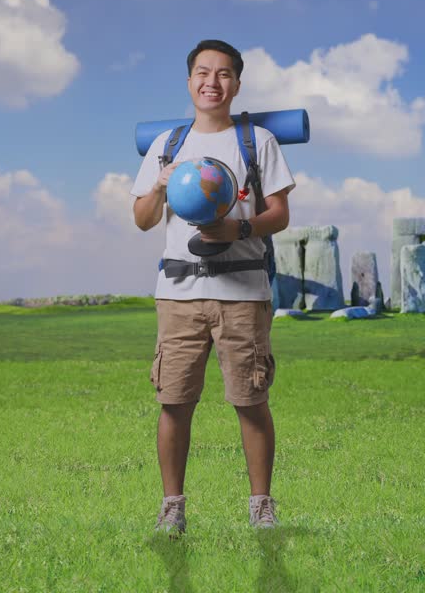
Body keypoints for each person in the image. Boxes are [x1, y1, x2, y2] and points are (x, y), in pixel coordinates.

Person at [130, 39, 295, 537]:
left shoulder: (258, 140)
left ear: (236, 85)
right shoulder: (168, 145)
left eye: (224, 74)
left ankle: (261, 506)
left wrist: (238, 230)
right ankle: (172, 506)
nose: (212, 82)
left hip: (243, 292)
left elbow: (281, 214)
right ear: (189, 83)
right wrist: (159, 186)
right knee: (174, 402)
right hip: (178, 293)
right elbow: (141, 219)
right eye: (203, 73)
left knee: (250, 400)